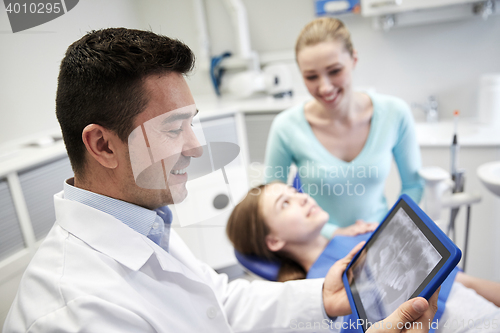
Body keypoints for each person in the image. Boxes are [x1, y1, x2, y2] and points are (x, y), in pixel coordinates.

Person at [3, 28, 436, 333]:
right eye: (174, 129)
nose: (195, 147)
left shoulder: (144, 222)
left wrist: (323, 296)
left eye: (192, 124)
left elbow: (219, 303)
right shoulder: (78, 312)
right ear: (103, 145)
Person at [227, 182, 500, 332]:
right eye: (284, 204)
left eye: (295, 192)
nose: (302, 198)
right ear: (274, 240)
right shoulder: (319, 294)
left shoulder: (355, 238)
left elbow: (460, 280)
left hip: (474, 305)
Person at [264, 17, 424, 239]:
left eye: (335, 71)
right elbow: (269, 202)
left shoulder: (394, 113)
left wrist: (388, 229)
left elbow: (413, 185)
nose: (325, 87)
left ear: (354, 59)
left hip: (381, 236)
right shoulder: (286, 127)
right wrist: (335, 232)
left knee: (452, 273)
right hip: (319, 241)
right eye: (311, 76)